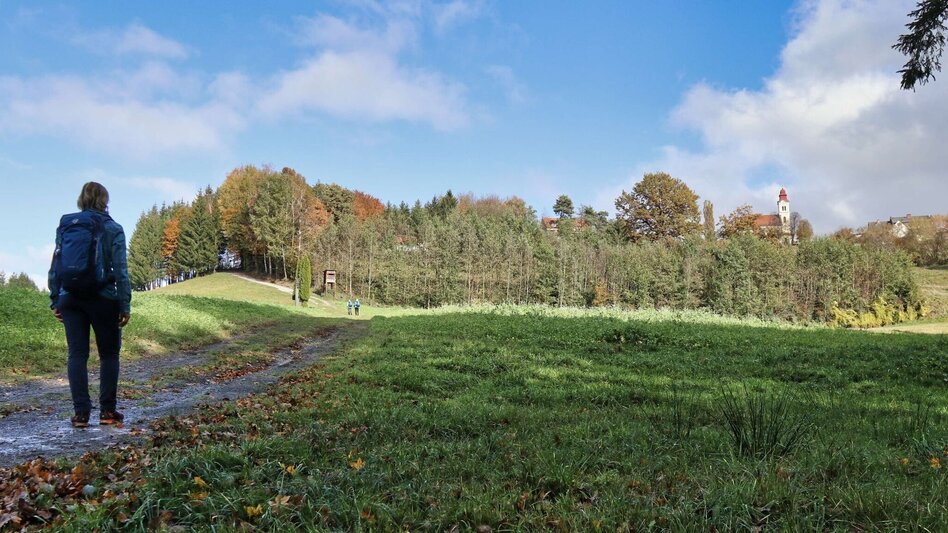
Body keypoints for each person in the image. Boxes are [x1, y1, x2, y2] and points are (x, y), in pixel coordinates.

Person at [49, 182, 131, 428]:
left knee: (77, 354)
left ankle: (81, 415)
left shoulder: (67, 225)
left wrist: (55, 298)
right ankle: (107, 412)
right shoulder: (113, 228)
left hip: (70, 297)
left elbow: (56, 263)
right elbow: (121, 269)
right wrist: (124, 304)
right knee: (109, 354)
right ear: (105, 200)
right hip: (103, 297)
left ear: (81, 199)